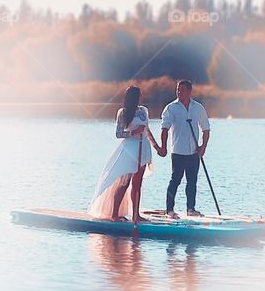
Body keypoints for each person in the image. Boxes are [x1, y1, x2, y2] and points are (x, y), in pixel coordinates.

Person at [88, 86, 161, 224]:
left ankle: (136, 214)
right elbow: (119, 133)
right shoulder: (123, 113)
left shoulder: (144, 110)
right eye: (138, 96)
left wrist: (156, 146)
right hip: (130, 150)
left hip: (143, 148)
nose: (141, 98)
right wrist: (134, 132)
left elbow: (147, 130)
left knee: (137, 184)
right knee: (124, 183)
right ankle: (114, 214)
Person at [158, 80, 210, 218]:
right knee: (175, 180)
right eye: (178, 90)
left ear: (189, 91)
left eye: (182, 90)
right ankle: (169, 210)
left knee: (192, 181)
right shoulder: (171, 108)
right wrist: (163, 146)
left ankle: (191, 209)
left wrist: (203, 147)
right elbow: (164, 129)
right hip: (178, 152)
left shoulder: (198, 108)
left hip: (194, 152)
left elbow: (206, 129)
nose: (179, 92)